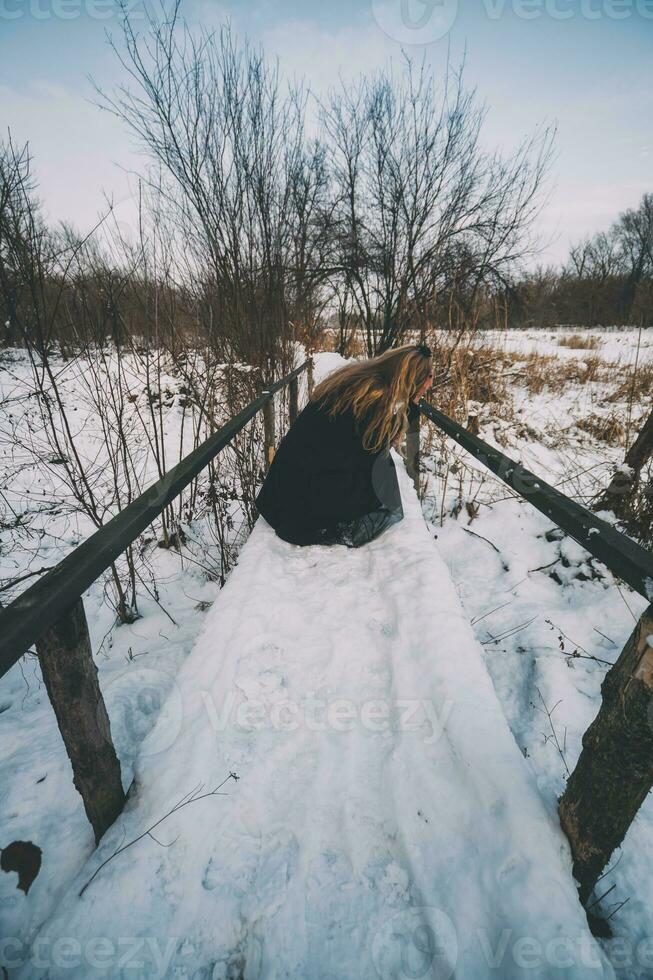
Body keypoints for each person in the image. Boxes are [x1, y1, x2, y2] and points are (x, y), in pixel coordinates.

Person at [255, 343, 434, 548]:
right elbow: (368, 455)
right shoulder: (373, 398)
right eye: (429, 378)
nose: (429, 385)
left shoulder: (359, 381)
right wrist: (413, 403)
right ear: (417, 379)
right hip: (300, 498)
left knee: (380, 470)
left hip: (284, 487)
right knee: (383, 475)